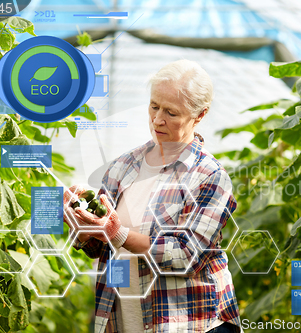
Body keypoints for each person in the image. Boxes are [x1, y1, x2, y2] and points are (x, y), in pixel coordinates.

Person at [63, 59, 242, 333]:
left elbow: (185, 255)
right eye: (154, 106)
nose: (158, 119)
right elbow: (100, 246)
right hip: (125, 319)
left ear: (200, 115)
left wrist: (117, 232)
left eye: (171, 112)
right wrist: (83, 225)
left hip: (191, 323)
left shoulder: (210, 177)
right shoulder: (124, 166)